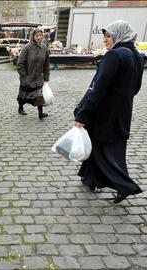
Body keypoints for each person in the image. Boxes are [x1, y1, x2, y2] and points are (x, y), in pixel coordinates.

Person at [74, 20, 144, 203]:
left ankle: (125, 186)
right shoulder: (135, 54)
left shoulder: (114, 56)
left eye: (108, 36)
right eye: (104, 36)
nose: (104, 40)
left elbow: (98, 88)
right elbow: (136, 87)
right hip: (122, 112)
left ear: (118, 35)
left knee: (101, 151)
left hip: (104, 113)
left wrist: (83, 114)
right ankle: (90, 178)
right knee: (111, 149)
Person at [16, 27, 50, 119]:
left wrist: (46, 77)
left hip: (39, 77)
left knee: (39, 95)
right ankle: (20, 107)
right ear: (33, 36)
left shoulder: (44, 48)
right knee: (23, 95)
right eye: (37, 35)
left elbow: (46, 64)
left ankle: (40, 113)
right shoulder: (27, 48)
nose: (39, 37)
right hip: (27, 77)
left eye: (40, 35)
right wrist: (24, 76)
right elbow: (20, 64)